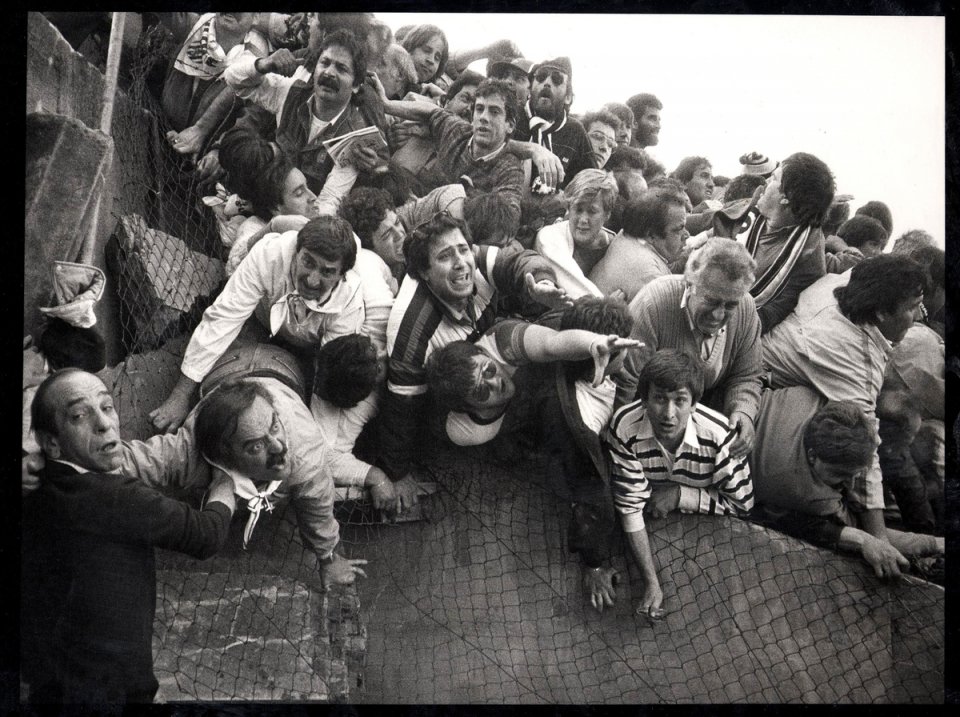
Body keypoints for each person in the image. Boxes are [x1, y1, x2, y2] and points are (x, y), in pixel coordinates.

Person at [21, 369, 237, 703]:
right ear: (51, 442)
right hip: (109, 685)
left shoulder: (41, 483)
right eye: (79, 415)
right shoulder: (117, 497)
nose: (104, 424)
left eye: (107, 407)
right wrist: (225, 487)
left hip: (52, 671)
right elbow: (205, 535)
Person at [427, 298, 640, 612]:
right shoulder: (464, 431)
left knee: (578, 446)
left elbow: (554, 344)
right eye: (482, 392)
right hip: (523, 416)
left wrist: (593, 562)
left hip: (556, 348)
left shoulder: (505, 340)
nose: (496, 383)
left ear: (485, 353)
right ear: (469, 409)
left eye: (488, 370)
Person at [377, 211, 568, 513]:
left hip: (486, 354)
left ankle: (516, 426)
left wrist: (541, 282)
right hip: (448, 396)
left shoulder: (474, 259)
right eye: (444, 257)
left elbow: (519, 261)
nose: (461, 263)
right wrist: (396, 472)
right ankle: (498, 435)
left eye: (463, 249)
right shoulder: (410, 329)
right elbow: (402, 407)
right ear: (424, 273)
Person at [150, 216, 368, 432]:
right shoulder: (269, 253)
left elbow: (328, 374)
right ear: (296, 251)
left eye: (327, 272)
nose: (312, 280)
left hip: (309, 349)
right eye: (308, 262)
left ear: (342, 275)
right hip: (259, 322)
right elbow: (224, 318)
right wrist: (180, 395)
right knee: (221, 384)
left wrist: (313, 442)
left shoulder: (350, 302)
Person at [761, 254, 927, 538]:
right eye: (912, 307)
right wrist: (879, 537)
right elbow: (868, 448)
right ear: (882, 313)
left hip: (774, 378)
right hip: (766, 398)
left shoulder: (848, 281)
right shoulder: (853, 359)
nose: (921, 315)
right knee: (856, 446)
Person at [604, 349, 753, 618]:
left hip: (705, 544)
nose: (668, 413)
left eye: (680, 400)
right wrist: (651, 583)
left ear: (695, 403)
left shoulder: (720, 437)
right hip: (647, 528)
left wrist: (679, 495)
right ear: (644, 399)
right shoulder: (624, 427)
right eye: (659, 399)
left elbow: (743, 505)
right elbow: (630, 506)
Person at [749, 386, 943, 577]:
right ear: (812, 456)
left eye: (855, 475)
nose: (850, 485)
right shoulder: (807, 493)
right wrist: (934, 544)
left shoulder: (811, 395)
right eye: (840, 474)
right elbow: (868, 535)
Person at [621, 237, 762, 458]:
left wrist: (743, 410)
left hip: (706, 414)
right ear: (689, 284)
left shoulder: (745, 308)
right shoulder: (654, 304)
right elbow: (627, 382)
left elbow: (747, 375)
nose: (718, 315)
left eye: (730, 305)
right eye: (711, 301)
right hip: (652, 419)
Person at [223, 29, 389, 194]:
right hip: (273, 196)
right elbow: (232, 79)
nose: (329, 72)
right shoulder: (291, 93)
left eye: (341, 68)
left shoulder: (355, 136)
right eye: (324, 63)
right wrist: (263, 64)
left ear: (356, 85)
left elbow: (330, 198)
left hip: (310, 210)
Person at [731, 152, 835, 333]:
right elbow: (706, 221)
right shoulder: (754, 211)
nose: (764, 183)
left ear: (787, 196)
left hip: (734, 328)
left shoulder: (807, 255)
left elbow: (771, 315)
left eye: (773, 178)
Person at [590, 189, 688, 301]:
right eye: (679, 229)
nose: (687, 235)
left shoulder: (627, 237)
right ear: (651, 235)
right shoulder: (650, 277)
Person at [534, 169, 618, 298]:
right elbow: (575, 287)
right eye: (578, 210)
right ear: (568, 209)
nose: (583, 220)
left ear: (607, 214)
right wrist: (609, 308)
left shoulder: (614, 245)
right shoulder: (550, 237)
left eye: (592, 211)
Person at [520, 57, 597, 189]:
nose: (547, 83)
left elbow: (592, 179)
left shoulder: (574, 130)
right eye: (541, 77)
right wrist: (531, 150)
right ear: (530, 89)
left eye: (557, 80)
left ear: (568, 97)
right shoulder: (513, 115)